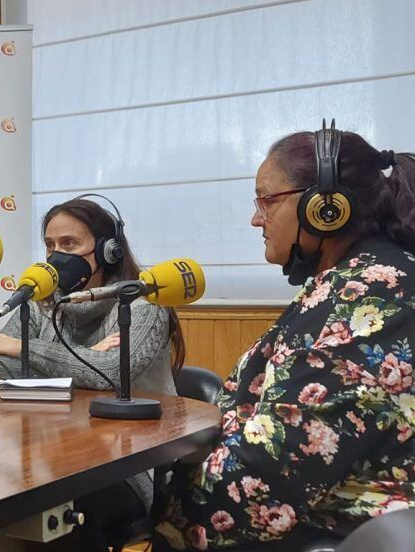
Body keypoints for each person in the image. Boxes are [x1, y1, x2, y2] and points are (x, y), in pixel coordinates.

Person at [154, 124, 415, 551]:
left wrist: (167, 500)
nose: (256, 217)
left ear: (325, 207)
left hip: (335, 529)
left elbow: (284, 466)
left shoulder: (373, 299)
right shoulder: (352, 282)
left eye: (266, 200)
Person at [0, 196, 186, 550]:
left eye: (69, 244)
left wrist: (30, 349)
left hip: (127, 468)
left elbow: (109, 376)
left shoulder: (143, 305)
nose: (57, 255)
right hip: (52, 455)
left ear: (109, 251)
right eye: (50, 245)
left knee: (58, 508)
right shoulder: (42, 304)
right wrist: (84, 359)